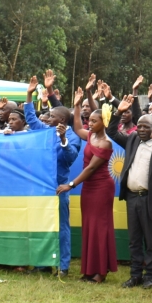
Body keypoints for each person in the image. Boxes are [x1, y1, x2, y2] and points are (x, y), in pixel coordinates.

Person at [107, 94, 152, 289]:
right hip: (132, 198)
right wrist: (118, 112)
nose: (142, 130)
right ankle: (135, 275)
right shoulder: (133, 139)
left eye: (147, 127)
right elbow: (111, 131)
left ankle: (149, 275)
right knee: (134, 239)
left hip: (151, 199)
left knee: (151, 240)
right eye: (140, 126)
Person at [59, 89, 117, 283]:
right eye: (89, 120)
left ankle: (101, 272)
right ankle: (89, 269)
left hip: (101, 188)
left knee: (100, 227)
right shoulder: (90, 135)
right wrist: (76, 106)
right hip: (89, 189)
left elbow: (91, 168)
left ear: (104, 123)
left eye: (94, 121)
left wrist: (71, 184)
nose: (90, 124)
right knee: (90, 227)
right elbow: (76, 128)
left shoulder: (106, 143)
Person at [23, 83, 82, 277]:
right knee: (41, 224)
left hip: (58, 188)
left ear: (62, 120)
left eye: (51, 116)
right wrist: (29, 95)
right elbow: (31, 119)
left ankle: (63, 267)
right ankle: (42, 264)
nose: (47, 119)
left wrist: (63, 139)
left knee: (62, 228)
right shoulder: (45, 131)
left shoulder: (73, 136)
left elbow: (70, 157)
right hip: (40, 188)